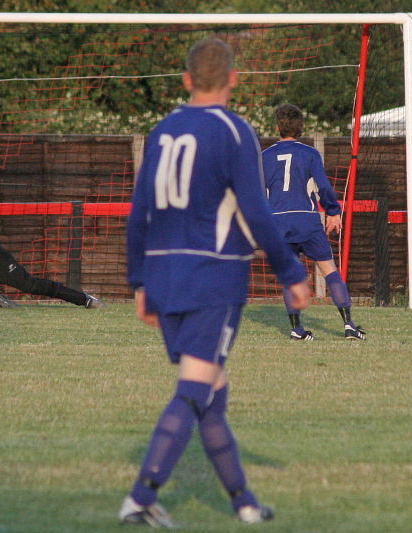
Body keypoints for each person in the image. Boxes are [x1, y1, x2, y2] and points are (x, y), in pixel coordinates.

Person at [121, 38, 310, 527]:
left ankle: (243, 502)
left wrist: (140, 282)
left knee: (212, 392)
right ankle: (141, 497)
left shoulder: (162, 131)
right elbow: (255, 212)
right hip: (212, 277)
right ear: (232, 80)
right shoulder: (234, 131)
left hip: (164, 276)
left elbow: (138, 213)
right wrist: (292, 272)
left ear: (186, 81)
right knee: (194, 387)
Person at [262, 103, 366, 341]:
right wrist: (333, 211)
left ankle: (296, 329)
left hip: (277, 222)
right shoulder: (310, 154)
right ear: (301, 128)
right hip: (307, 220)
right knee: (329, 270)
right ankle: (349, 325)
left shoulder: (264, 157)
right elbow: (324, 186)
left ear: (278, 127)